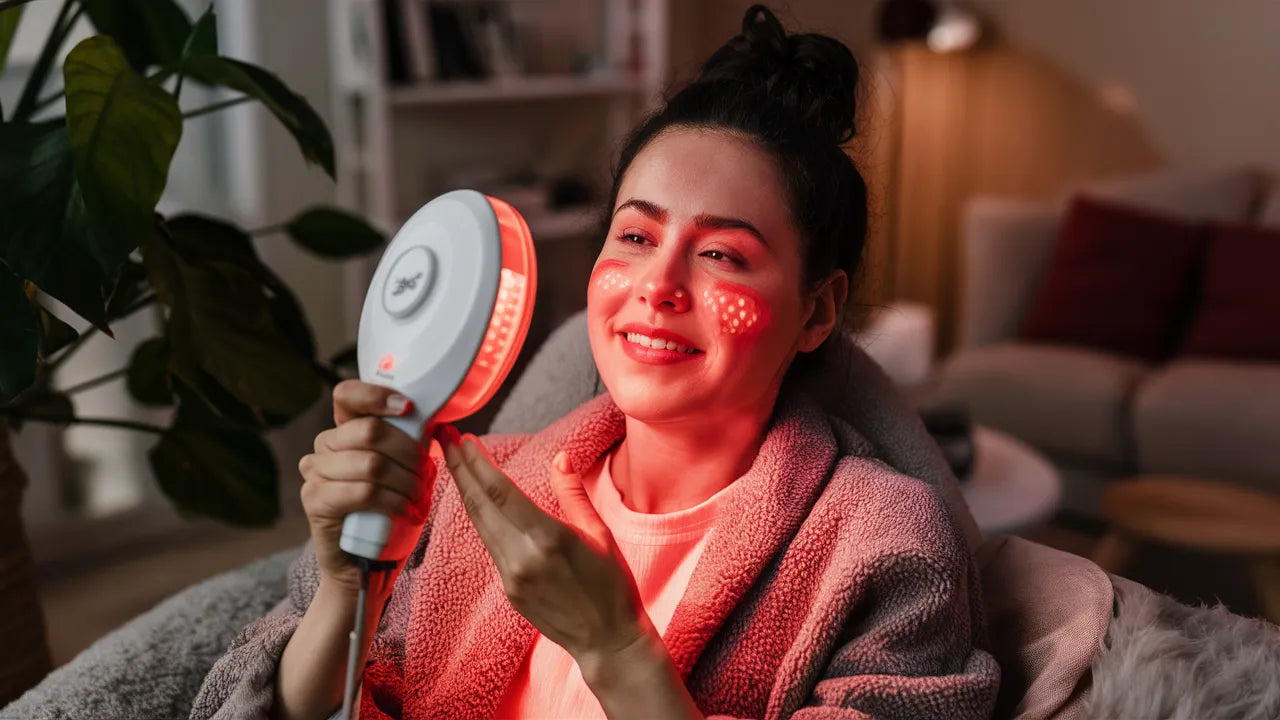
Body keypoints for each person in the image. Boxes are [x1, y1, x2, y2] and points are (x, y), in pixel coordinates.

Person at [191, 6, 1000, 719]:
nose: (658, 286)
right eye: (636, 237)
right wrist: (347, 589)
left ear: (817, 310)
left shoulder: (880, 544)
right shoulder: (472, 500)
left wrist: (616, 649)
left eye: (720, 254)